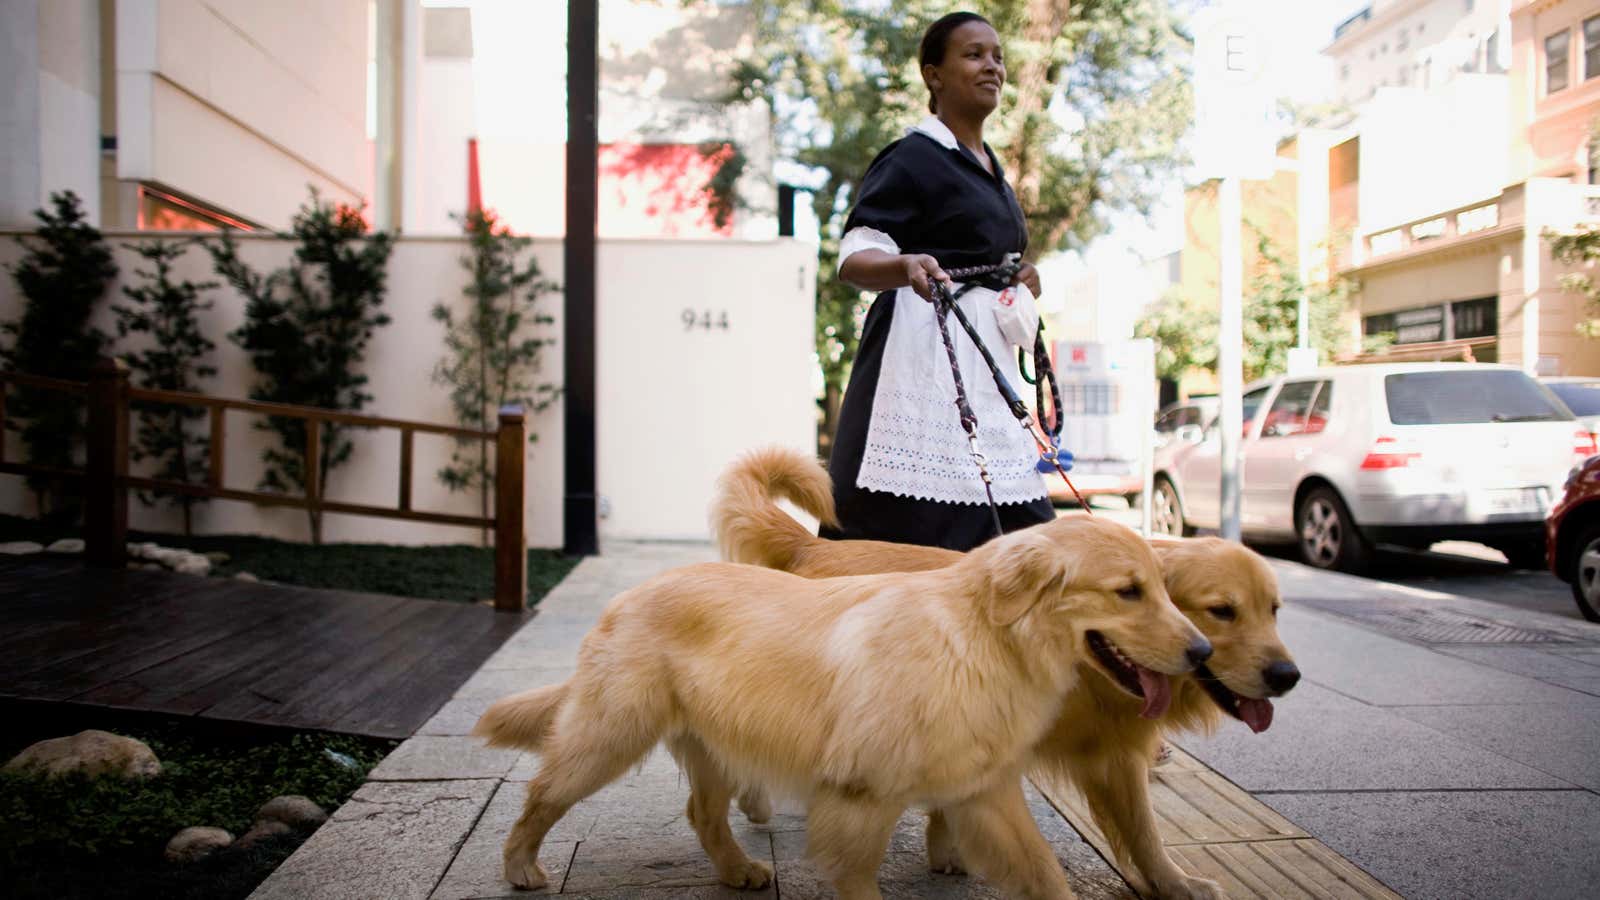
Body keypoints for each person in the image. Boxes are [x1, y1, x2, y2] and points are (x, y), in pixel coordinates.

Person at [821, 10, 1052, 552]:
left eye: (998, 56)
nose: (992, 66)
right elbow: (856, 253)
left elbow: (981, 253)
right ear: (933, 75)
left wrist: (1017, 275)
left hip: (985, 365)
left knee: (1022, 532)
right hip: (925, 359)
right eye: (974, 54)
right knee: (899, 533)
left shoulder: (992, 169)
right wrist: (903, 266)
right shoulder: (913, 158)